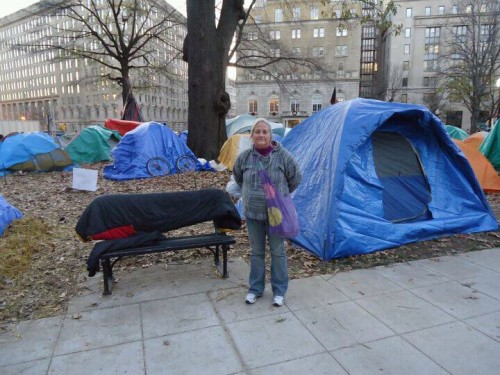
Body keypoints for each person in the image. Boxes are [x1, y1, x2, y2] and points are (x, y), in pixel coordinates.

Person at [233, 118, 302, 307]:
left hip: (276, 216)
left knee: (278, 252)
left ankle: (279, 290)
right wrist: (251, 194)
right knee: (257, 253)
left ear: (270, 135)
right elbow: (238, 178)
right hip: (253, 214)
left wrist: (280, 195)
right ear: (252, 135)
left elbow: (296, 177)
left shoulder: (283, 156)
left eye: (265, 132)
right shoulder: (245, 157)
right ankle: (255, 289)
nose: (261, 135)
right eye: (257, 132)